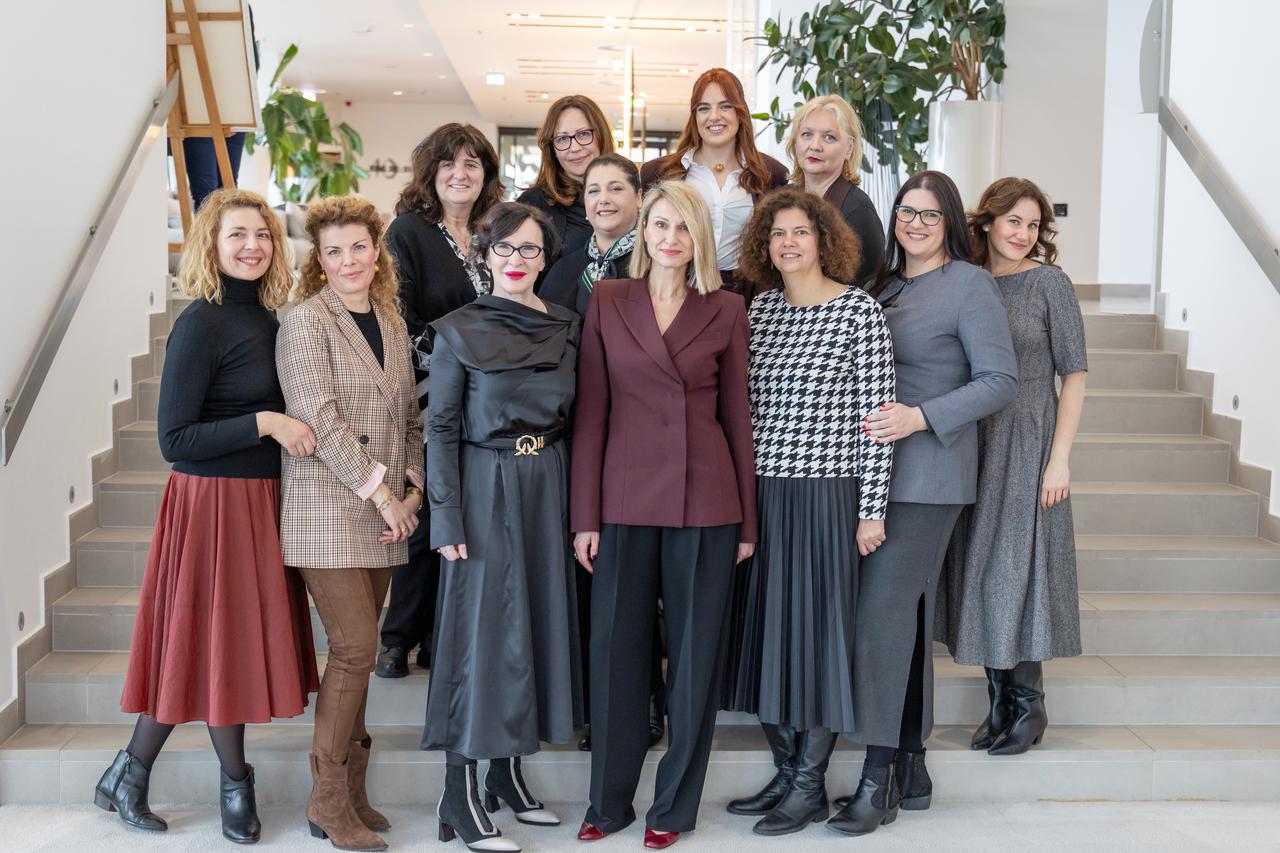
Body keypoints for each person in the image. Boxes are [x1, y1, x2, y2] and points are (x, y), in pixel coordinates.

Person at [98, 188, 319, 845]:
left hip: (258, 503)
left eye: (263, 234)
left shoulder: (270, 318)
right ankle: (233, 785)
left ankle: (128, 774)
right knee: (219, 646)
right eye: (237, 235)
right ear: (211, 245)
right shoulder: (200, 323)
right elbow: (175, 440)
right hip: (212, 506)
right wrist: (266, 422)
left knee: (220, 648)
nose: (253, 245)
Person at [829, 171, 1017, 837]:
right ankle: (911, 765)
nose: (915, 223)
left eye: (930, 214)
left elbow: (1000, 379)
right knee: (902, 617)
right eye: (906, 211)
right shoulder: (882, 285)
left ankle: (876, 776)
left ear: (951, 223)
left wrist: (921, 416)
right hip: (872, 476)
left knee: (879, 617)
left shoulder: (969, 285)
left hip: (930, 477)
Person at [572, 180, 758, 850]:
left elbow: (737, 418)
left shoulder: (726, 307)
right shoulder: (608, 298)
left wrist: (748, 523)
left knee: (695, 659)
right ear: (643, 233)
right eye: (660, 225)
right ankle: (608, 801)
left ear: (700, 237)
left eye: (684, 227)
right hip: (623, 500)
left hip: (706, 501)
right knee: (615, 654)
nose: (671, 238)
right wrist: (585, 515)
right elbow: (591, 414)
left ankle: (674, 807)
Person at [724, 188, 895, 836]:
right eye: (777, 234)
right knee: (765, 634)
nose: (789, 243)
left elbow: (878, 420)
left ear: (824, 239)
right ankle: (787, 767)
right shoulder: (760, 310)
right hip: (765, 495)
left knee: (819, 640)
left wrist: (871, 510)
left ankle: (808, 784)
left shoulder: (858, 311)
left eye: (800, 231)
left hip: (828, 494)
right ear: (763, 246)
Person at [422, 202, 583, 853]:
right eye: (504, 248)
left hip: (549, 484)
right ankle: (457, 792)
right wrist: (444, 515)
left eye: (530, 249)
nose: (517, 260)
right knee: (481, 636)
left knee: (531, 630)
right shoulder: (458, 329)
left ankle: (505, 775)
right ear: (486, 255)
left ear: (547, 259)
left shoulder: (568, 326)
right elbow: (439, 427)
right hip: (483, 487)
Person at [277, 195, 425, 852]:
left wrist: (414, 491)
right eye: (333, 251)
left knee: (356, 657)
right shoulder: (305, 321)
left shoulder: (390, 320)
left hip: (386, 512)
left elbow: (410, 418)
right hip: (329, 509)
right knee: (357, 647)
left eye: (358, 247)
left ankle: (353, 792)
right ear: (319, 258)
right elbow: (320, 418)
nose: (348, 261)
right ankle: (327, 798)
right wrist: (384, 494)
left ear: (377, 250)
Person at [937, 177, 1088, 755]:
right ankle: (998, 698)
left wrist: (1060, 459)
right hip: (972, 438)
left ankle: (1029, 703)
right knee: (978, 567)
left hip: (1028, 440)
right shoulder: (965, 279)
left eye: (1033, 225)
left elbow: (1073, 376)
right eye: (1013, 221)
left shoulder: (1049, 284)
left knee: (1015, 568)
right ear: (987, 223)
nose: (1023, 234)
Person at [376, 123, 504, 681]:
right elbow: (395, 317)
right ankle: (397, 637)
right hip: (430, 393)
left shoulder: (496, 230)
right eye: (449, 163)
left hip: (488, 397)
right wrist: (460, 352)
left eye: (472, 163)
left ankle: (438, 634)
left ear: (486, 174)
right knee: (429, 512)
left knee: (468, 513)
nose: (460, 173)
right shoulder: (409, 231)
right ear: (431, 173)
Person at [640, 68, 788, 304]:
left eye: (725, 106)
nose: (714, 116)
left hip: (747, 296)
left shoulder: (771, 174)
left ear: (740, 112)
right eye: (704, 108)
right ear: (694, 116)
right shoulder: (658, 173)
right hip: (678, 290)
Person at [785, 94, 885, 285]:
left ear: (849, 148)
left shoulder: (858, 211)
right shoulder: (784, 200)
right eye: (807, 134)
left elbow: (870, 288)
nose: (815, 146)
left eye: (829, 137)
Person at [541, 153, 641, 317]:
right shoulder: (563, 269)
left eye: (615, 189)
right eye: (594, 191)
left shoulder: (657, 264)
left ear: (639, 197)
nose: (603, 199)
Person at [518, 95, 615, 261]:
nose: (575, 148)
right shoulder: (533, 204)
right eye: (562, 139)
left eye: (583, 134)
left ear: (601, 136)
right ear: (552, 149)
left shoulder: (628, 195)